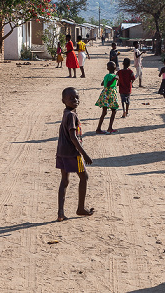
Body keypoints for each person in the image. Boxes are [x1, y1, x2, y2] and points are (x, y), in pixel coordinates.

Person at [56, 87, 94, 222]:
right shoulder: (72, 115)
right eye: (71, 98)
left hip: (61, 152)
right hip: (73, 153)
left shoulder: (67, 112)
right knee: (84, 177)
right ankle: (81, 208)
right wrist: (84, 154)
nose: (75, 100)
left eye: (77, 97)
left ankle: (60, 212)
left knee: (64, 181)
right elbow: (73, 137)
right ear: (63, 101)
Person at [95, 61, 119, 134]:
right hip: (110, 94)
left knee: (104, 112)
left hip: (105, 94)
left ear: (107, 68)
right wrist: (115, 78)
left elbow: (102, 84)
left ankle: (98, 128)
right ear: (115, 68)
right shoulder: (113, 76)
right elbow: (108, 84)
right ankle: (110, 128)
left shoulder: (106, 75)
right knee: (114, 111)